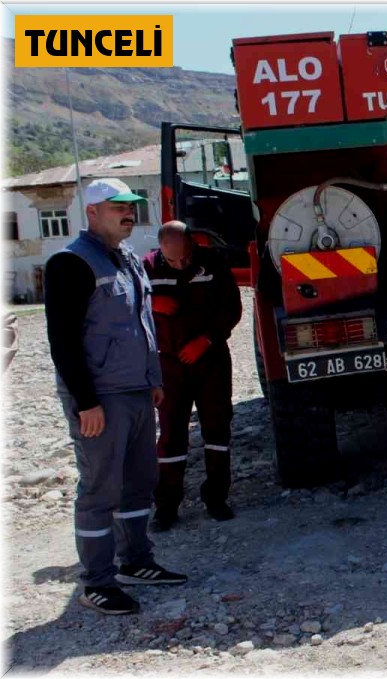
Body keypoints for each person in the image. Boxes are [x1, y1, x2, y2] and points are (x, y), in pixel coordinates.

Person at [44, 178, 188, 616]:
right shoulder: (71, 263)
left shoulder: (127, 258)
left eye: (131, 205)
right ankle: (97, 582)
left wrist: (153, 378)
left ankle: (136, 562)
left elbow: (140, 324)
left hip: (137, 391)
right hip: (101, 398)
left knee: (139, 482)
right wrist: (85, 401)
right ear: (92, 212)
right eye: (118, 206)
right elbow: (63, 341)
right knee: (99, 490)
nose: (129, 212)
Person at [143, 221, 243, 530]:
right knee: (171, 434)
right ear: (160, 250)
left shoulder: (212, 262)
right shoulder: (145, 268)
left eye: (185, 257)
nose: (181, 264)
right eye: (172, 261)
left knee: (216, 428)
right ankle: (167, 507)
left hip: (210, 359)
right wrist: (152, 302)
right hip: (170, 365)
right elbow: (127, 308)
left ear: (192, 244)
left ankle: (216, 498)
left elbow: (232, 308)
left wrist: (207, 339)